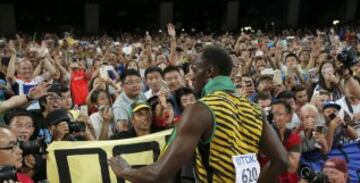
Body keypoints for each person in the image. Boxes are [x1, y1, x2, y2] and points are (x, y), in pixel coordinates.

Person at [108, 46, 289, 183]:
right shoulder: (254, 108)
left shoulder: (200, 110)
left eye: (194, 69)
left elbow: (159, 173)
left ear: (209, 71)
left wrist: (125, 171)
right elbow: (281, 160)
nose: (191, 76)